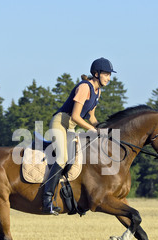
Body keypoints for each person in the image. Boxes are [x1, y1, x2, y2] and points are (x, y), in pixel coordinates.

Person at [42, 57, 116, 214]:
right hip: (60, 123)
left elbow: (92, 118)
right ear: (96, 74)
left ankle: (74, 199)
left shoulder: (97, 92)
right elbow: (75, 116)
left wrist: (104, 129)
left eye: (110, 75)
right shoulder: (85, 87)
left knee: (79, 160)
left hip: (71, 127)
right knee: (62, 158)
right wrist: (92, 130)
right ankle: (47, 199)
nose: (109, 78)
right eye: (106, 74)